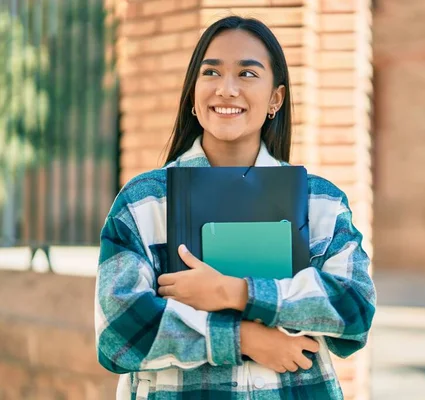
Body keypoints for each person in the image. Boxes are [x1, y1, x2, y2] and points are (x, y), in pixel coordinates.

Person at [95, 15, 376, 400]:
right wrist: (243, 338)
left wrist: (236, 292)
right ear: (194, 93)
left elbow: (354, 312)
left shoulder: (320, 202)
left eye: (247, 74)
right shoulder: (145, 202)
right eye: (211, 73)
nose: (226, 90)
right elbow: (119, 333)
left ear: (276, 98)